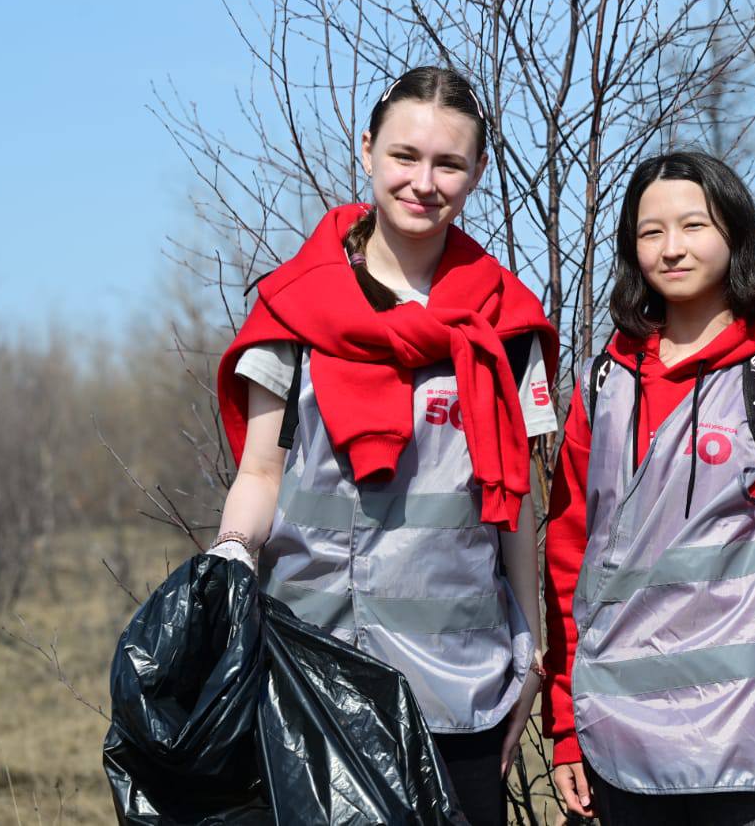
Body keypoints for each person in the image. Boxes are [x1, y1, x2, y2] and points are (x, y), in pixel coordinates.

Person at [210, 66, 559, 826]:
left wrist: (529, 642)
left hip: (456, 688)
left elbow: (516, 498)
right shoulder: (290, 308)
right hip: (304, 672)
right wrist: (229, 561)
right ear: (366, 150)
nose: (423, 181)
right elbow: (260, 471)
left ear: (477, 172)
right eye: (405, 155)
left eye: (448, 163)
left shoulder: (506, 321)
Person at [542, 152, 755, 825]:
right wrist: (566, 723)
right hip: (615, 756)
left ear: (735, 236)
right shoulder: (601, 388)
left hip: (752, 762)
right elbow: (570, 563)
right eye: (650, 231)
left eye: (694, 224)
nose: (673, 247)